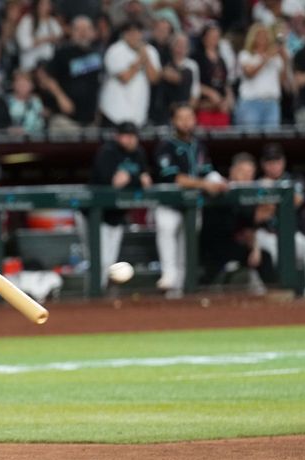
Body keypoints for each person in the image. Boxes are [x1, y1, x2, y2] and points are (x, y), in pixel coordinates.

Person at [153, 103, 228, 298]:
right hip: (169, 204)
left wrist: (218, 181)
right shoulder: (165, 145)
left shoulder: (199, 145)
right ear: (174, 121)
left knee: (187, 250)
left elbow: (207, 171)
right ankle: (168, 278)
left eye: (190, 118)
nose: (186, 122)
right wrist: (205, 184)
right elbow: (175, 178)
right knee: (167, 235)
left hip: (192, 206)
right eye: (181, 118)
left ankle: (181, 292)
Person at [86, 122, 152, 289]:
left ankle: (103, 291)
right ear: (117, 136)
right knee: (97, 258)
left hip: (116, 215)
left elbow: (146, 181)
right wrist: (135, 178)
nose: (129, 140)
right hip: (93, 214)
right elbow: (114, 182)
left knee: (110, 260)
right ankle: (93, 293)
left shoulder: (139, 153)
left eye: (132, 136)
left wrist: (130, 178)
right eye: (125, 136)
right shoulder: (108, 152)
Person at [199, 153, 276, 291]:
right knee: (207, 278)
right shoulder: (223, 188)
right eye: (243, 172)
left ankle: (274, 294)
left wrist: (255, 249)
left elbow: (250, 224)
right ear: (232, 171)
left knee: (265, 257)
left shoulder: (247, 195)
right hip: (210, 248)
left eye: (250, 173)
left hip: (233, 246)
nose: (247, 177)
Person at [254, 143, 305, 300]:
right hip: (267, 235)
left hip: (292, 233)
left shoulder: (294, 179)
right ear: (263, 164)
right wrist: (277, 201)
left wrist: (269, 198)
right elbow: (257, 216)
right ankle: (282, 296)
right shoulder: (257, 183)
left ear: (283, 161)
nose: (274, 165)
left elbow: (295, 201)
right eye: (270, 162)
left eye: (277, 160)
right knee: (276, 256)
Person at [37, 16, 103, 129]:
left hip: (89, 121)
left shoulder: (97, 54)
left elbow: (96, 83)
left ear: (93, 32)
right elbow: (46, 77)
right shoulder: (62, 52)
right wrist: (61, 97)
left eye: (86, 29)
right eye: (79, 29)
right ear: (72, 32)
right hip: (65, 120)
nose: (83, 33)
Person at [98, 21, 161, 127]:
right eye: (130, 32)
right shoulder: (115, 50)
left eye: (137, 32)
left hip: (138, 114)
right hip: (113, 113)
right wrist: (140, 60)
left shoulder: (150, 51)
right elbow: (125, 78)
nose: (134, 35)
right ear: (124, 34)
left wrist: (146, 58)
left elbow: (154, 79)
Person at [235, 23, 289, 127]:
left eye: (266, 35)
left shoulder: (276, 57)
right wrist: (267, 57)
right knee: (251, 139)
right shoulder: (246, 54)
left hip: (272, 103)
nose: (263, 38)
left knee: (271, 140)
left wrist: (285, 60)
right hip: (251, 102)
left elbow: (282, 81)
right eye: (259, 35)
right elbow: (249, 73)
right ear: (253, 38)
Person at [151, 33, 200, 125]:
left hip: (182, 110)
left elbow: (194, 91)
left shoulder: (191, 66)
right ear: (172, 47)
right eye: (178, 45)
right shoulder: (165, 61)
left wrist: (187, 111)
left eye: (184, 46)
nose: (180, 49)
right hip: (163, 112)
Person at [194, 22, 235, 128]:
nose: (214, 39)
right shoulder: (196, 57)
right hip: (204, 106)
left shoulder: (221, 59)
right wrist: (210, 93)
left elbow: (225, 82)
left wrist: (228, 99)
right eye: (211, 36)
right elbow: (193, 82)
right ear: (204, 38)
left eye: (216, 36)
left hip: (221, 108)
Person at [15, 0, 63, 72]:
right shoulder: (27, 20)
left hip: (49, 64)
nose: (45, 7)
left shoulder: (52, 21)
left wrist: (54, 39)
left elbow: (59, 36)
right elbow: (24, 44)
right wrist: (45, 39)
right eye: (43, 4)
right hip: (30, 64)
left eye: (48, 5)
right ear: (37, 5)